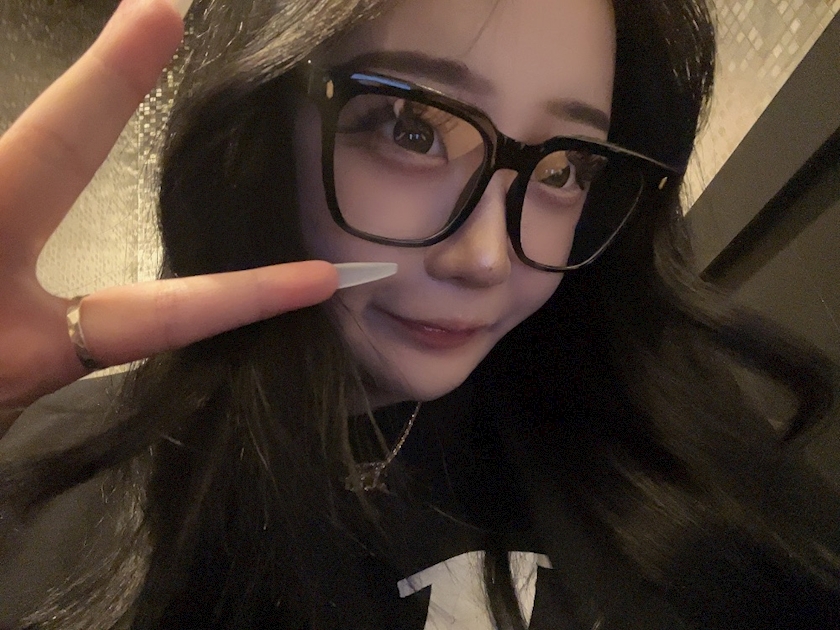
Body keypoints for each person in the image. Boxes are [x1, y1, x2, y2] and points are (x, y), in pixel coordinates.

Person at [0, 0, 838, 627]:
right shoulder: (53, 471)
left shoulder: (655, 421)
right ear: (265, 130)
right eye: (411, 130)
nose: (486, 258)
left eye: (563, 169)